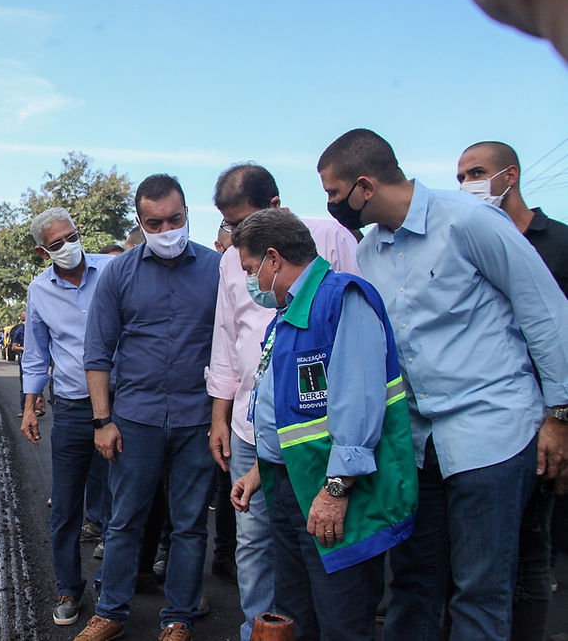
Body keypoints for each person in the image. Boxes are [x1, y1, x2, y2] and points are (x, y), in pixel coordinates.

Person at [317, 128, 568, 641]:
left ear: (364, 186)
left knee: (480, 592)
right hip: (419, 443)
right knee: (413, 584)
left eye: (334, 193)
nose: (330, 205)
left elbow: (545, 313)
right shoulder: (370, 254)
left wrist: (559, 415)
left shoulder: (471, 221)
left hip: (491, 433)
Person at [228, 208, 417, 640]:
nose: (249, 282)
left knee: (341, 620)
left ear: (274, 259)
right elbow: (292, 409)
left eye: (251, 269)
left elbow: (360, 401)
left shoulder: (341, 298)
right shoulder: (290, 313)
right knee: (297, 616)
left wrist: (337, 489)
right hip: (292, 488)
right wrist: (261, 469)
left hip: (334, 495)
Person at [206, 162, 361, 641]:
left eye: (242, 225)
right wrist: (223, 415)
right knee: (258, 544)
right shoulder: (237, 269)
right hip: (259, 431)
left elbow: (357, 371)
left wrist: (339, 476)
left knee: (320, 549)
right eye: (228, 226)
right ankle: (261, 631)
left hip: (319, 438)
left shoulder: (334, 257)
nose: (233, 239)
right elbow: (227, 338)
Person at [79, 174, 221, 641]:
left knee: (189, 525)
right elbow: (97, 351)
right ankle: (110, 613)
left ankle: (177, 618)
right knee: (124, 521)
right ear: (139, 223)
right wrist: (103, 421)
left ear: (188, 214)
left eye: (175, 220)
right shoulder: (119, 273)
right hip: (135, 419)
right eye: (154, 223)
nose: (166, 230)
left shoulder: (219, 270)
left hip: (197, 420)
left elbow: (235, 344)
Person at [457, 140, 568, 640]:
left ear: (510, 175)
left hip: (549, 417)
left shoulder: (558, 242)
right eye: (459, 177)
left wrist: (559, 417)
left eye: (476, 173)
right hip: (496, 419)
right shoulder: (471, 239)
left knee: (531, 549)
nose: (467, 186)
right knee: (480, 561)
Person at [20, 207, 114, 628]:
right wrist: (29, 403)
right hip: (74, 409)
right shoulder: (39, 291)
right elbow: (37, 354)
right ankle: (68, 589)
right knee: (66, 507)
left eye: (71, 236)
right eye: (56, 244)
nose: (68, 247)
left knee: (120, 503)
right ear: (44, 252)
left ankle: (112, 594)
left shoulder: (113, 270)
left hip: (120, 408)